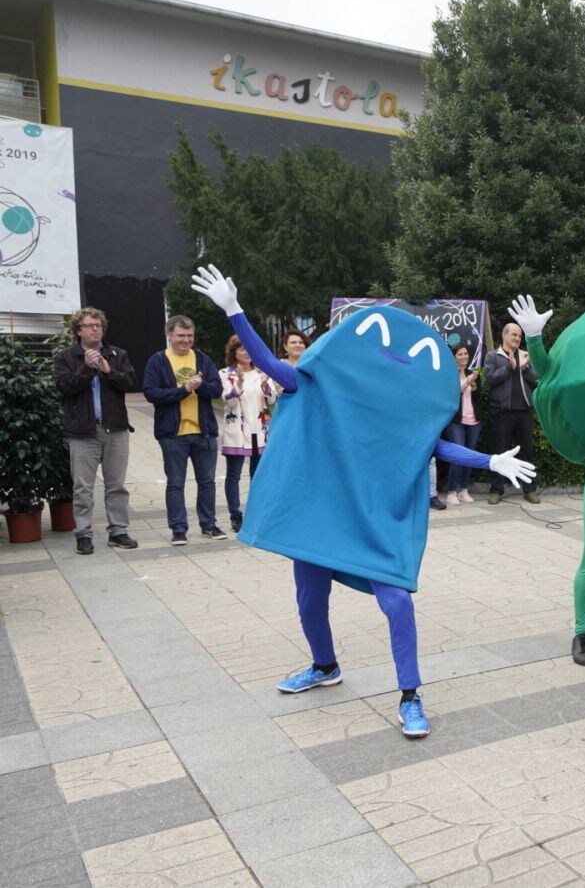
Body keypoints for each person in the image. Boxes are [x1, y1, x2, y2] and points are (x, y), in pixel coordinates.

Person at [190, 265, 534, 738]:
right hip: (323, 518)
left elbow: (432, 445)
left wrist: (490, 461)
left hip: (371, 520)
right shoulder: (316, 384)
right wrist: (234, 311)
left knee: (396, 601)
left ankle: (410, 695)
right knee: (309, 596)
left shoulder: (398, 408)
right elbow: (270, 366)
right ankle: (324, 665)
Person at [53, 307, 139, 554]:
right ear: (78, 331)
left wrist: (108, 371)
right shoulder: (66, 357)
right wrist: (87, 369)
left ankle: (118, 531)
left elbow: (130, 382)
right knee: (83, 487)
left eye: (98, 326)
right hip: (82, 432)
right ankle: (83, 534)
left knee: (117, 485)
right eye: (89, 325)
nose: (95, 329)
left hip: (116, 430)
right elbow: (64, 387)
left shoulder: (116, 354)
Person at [142, 315, 226, 546]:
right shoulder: (157, 361)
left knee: (207, 481)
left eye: (189, 336)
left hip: (204, 432)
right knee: (176, 483)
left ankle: (209, 524)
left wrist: (200, 387)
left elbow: (217, 390)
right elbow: (151, 393)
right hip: (172, 434)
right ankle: (179, 529)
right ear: (169, 335)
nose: (185, 340)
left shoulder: (202, 359)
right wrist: (183, 389)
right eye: (181, 335)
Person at [221, 334, 274, 532]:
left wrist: (265, 383)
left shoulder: (262, 373)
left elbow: (271, 400)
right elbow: (228, 399)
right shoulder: (226, 373)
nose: (246, 352)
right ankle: (236, 515)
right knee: (233, 475)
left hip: (259, 430)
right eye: (241, 349)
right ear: (234, 352)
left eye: (249, 348)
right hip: (237, 431)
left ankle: (256, 513)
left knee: (258, 475)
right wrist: (240, 383)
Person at [484, 321, 541, 504]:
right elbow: (491, 379)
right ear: (504, 335)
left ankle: (530, 489)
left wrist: (524, 370)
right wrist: (510, 367)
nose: (517, 338)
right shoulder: (493, 356)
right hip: (502, 411)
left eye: (519, 335)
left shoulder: (526, 355)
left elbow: (536, 382)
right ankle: (496, 490)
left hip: (524, 410)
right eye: (514, 334)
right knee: (500, 452)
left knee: (527, 452)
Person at [432, 345, 483, 508]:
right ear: (454, 357)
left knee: (470, 455)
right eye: (460, 354)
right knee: (457, 454)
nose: (463, 356)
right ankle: (452, 491)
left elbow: (478, 398)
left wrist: (474, 386)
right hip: (456, 422)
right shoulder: (449, 374)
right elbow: (450, 395)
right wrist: (466, 383)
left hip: (473, 420)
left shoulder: (471, 373)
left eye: (466, 353)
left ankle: (464, 489)